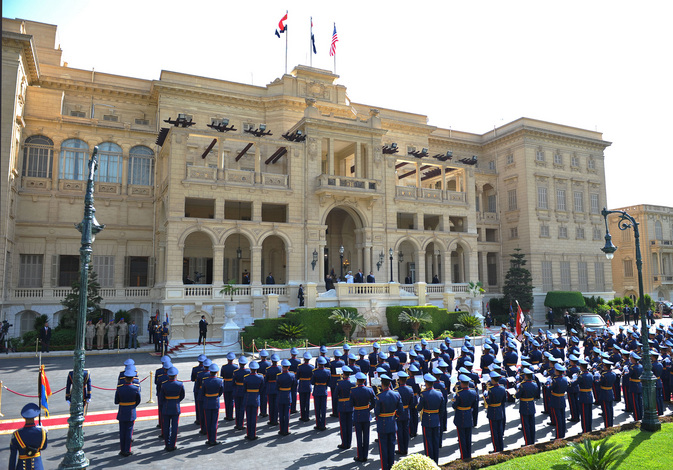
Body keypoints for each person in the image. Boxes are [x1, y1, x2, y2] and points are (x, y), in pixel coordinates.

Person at [375, 373, 403, 470]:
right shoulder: (396, 394)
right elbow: (401, 410)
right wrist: (394, 416)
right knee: (392, 447)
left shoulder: (379, 396)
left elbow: (377, 412)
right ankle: (392, 467)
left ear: (382, 384)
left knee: (383, 449)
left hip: (382, 424)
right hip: (392, 422)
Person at [8, 403, 47, 470]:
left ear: (24, 417)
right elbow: (43, 447)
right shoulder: (42, 432)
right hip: (37, 466)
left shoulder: (16, 434)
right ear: (35, 417)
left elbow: (13, 456)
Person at [417, 373, 444, 463]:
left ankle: (429, 462)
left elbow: (419, 408)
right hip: (436, 419)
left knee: (428, 442)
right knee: (435, 441)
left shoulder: (423, 394)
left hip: (427, 420)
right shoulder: (439, 393)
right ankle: (436, 461)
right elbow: (442, 409)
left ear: (426, 383)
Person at [115, 367, 141, 457]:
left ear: (125, 378)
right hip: (131, 411)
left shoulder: (119, 388)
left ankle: (122, 450)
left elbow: (116, 401)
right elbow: (138, 400)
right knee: (129, 432)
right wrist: (132, 406)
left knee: (122, 432)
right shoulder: (136, 388)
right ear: (133, 378)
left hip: (122, 411)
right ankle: (127, 450)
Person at [350, 371, 376, 463]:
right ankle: (365, 455)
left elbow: (351, 404)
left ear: (357, 381)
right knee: (366, 436)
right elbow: (374, 402)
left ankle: (360, 456)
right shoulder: (369, 390)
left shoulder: (353, 391)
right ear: (364, 381)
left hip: (357, 414)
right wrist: (369, 408)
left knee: (359, 437)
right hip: (366, 414)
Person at [159, 366, 185, 451]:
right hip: (175, 407)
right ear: (176, 375)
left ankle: (167, 444)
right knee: (174, 427)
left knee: (166, 427)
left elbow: (161, 398)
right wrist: (176, 401)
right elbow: (182, 396)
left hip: (166, 407)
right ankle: (172, 445)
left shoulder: (164, 384)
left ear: (168, 375)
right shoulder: (180, 384)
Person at [202, 362, 224, 445]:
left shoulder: (205, 381)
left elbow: (203, 392)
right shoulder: (220, 381)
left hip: (207, 402)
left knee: (208, 422)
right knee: (214, 422)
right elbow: (221, 392)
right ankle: (213, 440)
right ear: (216, 372)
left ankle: (209, 439)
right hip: (215, 402)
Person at [485, 370, 507, 453]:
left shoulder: (491, 390)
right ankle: (501, 447)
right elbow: (504, 400)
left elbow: (489, 401)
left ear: (493, 380)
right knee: (500, 431)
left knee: (494, 432)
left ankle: (496, 449)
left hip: (492, 412)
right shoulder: (502, 388)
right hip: (499, 410)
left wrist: (486, 396)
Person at [244, 361, 264, 440]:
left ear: (250, 369)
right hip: (256, 398)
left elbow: (244, 389)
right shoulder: (260, 377)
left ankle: (249, 434)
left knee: (248, 417)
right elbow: (262, 389)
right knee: (254, 418)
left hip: (248, 398)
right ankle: (253, 434)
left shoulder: (246, 377)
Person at [548, 363, 569, 439]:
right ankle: (562, 434)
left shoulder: (555, 380)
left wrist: (547, 384)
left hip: (556, 400)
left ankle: (558, 436)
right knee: (562, 418)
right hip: (562, 399)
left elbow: (550, 389)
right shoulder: (565, 379)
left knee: (558, 419)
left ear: (557, 371)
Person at [336, 366, 355, 449]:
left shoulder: (340, 383)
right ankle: (349, 443)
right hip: (350, 406)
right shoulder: (353, 383)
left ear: (343, 374)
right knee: (349, 425)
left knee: (343, 426)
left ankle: (344, 443)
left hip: (342, 406)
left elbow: (335, 395)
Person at [277, 359, 296, 436]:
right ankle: (286, 430)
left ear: (282, 367)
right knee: (287, 413)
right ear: (288, 367)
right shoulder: (292, 375)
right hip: (288, 394)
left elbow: (276, 387)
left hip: (281, 395)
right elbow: (294, 386)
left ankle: (281, 430)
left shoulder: (279, 376)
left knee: (281, 413)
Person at [312, 356, 330, 431]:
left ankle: (318, 424)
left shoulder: (315, 372)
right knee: (323, 409)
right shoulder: (328, 371)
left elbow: (312, 382)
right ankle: (323, 425)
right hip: (324, 390)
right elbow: (329, 382)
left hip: (316, 391)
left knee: (317, 409)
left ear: (318, 364)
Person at [597, 359, 617, 428]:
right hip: (610, 392)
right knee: (610, 410)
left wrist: (596, 379)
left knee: (606, 411)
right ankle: (610, 425)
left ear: (605, 366)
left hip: (604, 393)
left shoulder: (604, 375)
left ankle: (607, 426)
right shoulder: (613, 374)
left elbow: (599, 383)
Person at [577, 359, 594, 434]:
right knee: (589, 414)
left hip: (583, 396)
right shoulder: (590, 374)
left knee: (584, 415)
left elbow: (575, 383)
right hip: (589, 395)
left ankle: (585, 431)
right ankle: (589, 429)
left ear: (581, 367)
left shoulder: (581, 376)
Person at [297, 352, 314, 422]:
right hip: (308, 384)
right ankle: (306, 416)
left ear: (304, 359)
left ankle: (302, 416)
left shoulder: (300, 367)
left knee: (302, 402)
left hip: (302, 384)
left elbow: (297, 376)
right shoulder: (312, 367)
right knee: (307, 402)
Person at [220, 352, 237, 421]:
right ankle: (231, 415)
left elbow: (222, 376)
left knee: (227, 400)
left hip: (226, 384)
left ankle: (227, 415)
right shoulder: (236, 367)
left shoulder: (224, 367)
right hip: (233, 385)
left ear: (227, 359)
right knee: (232, 401)